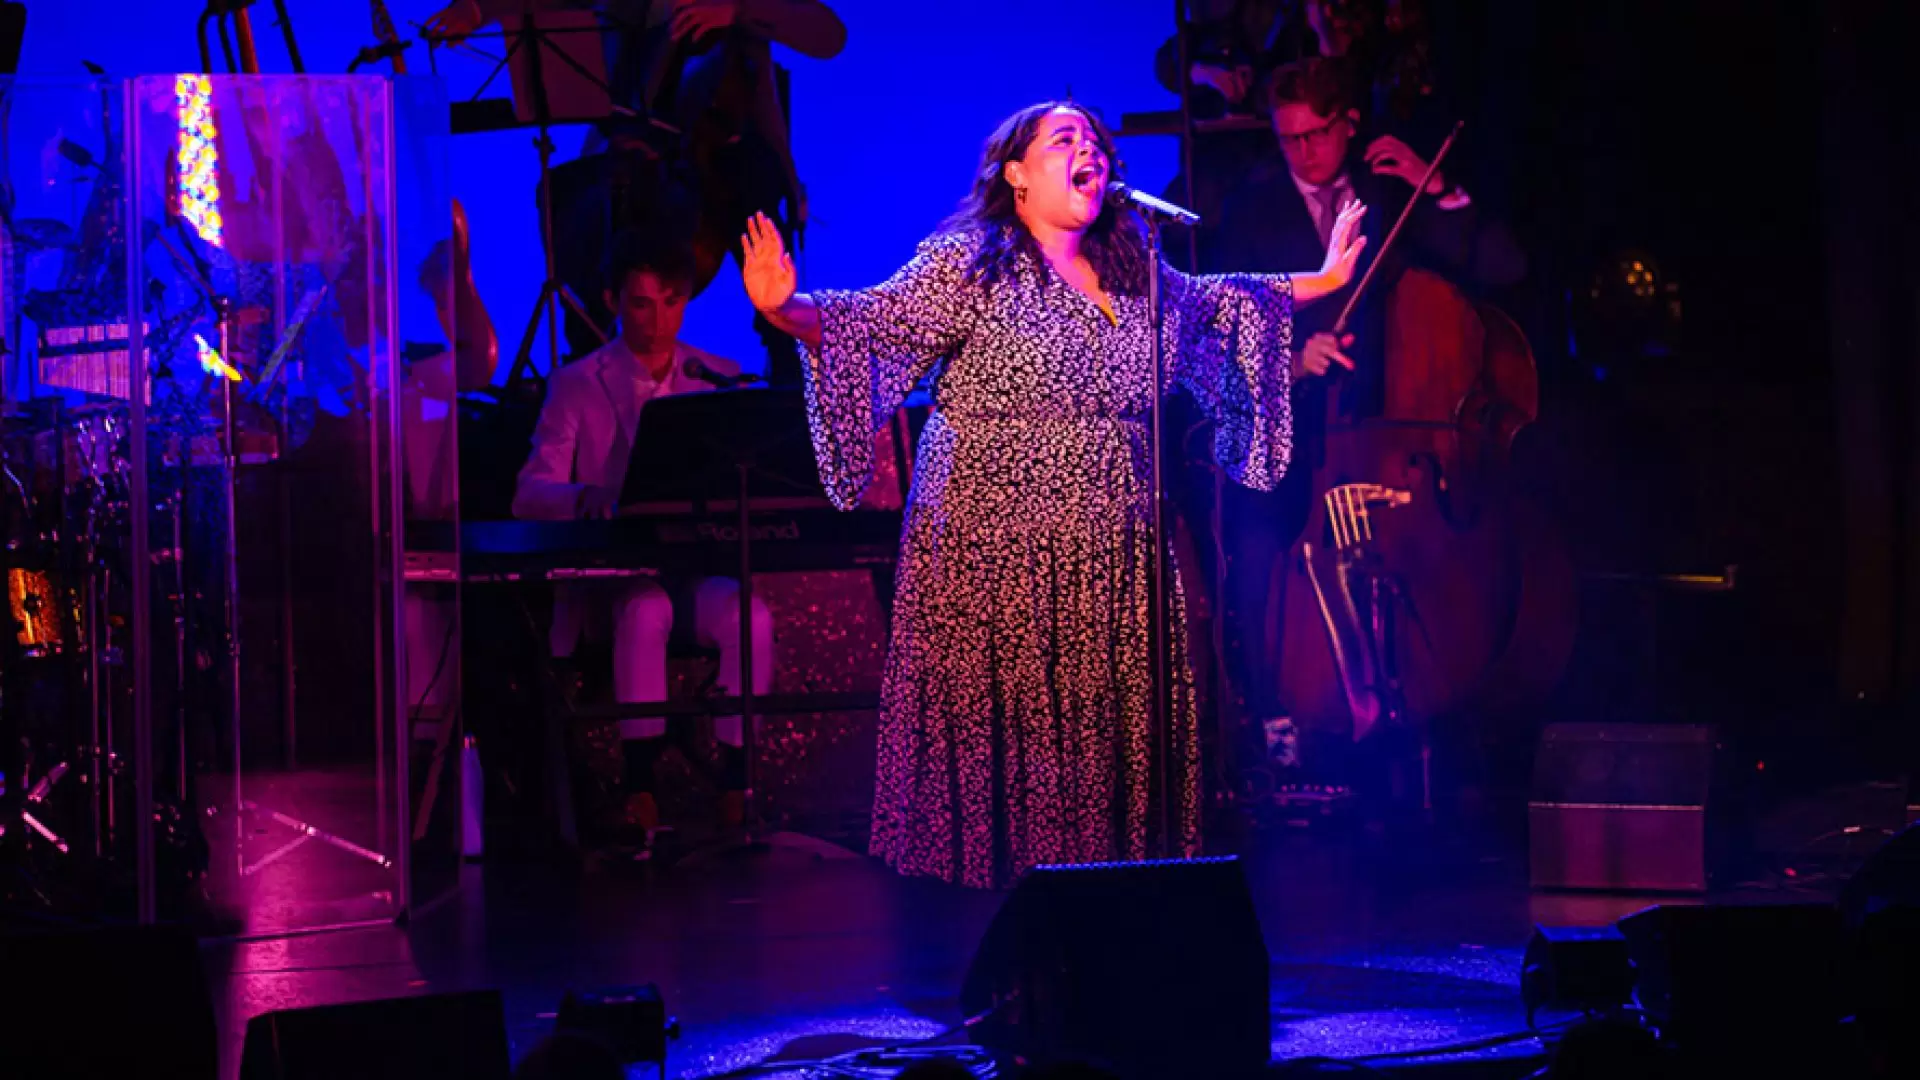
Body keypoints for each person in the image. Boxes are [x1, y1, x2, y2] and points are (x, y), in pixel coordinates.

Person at [738, 102, 1365, 888]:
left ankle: (1108, 885)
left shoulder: (1136, 269)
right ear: (1016, 175)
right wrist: (783, 308)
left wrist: (1326, 280)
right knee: (1022, 722)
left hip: (1113, 543)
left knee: (1104, 720)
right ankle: (1010, 897)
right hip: (997, 538)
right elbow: (873, 322)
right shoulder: (970, 265)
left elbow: (1221, 303)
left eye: (1094, 140)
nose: (1087, 149)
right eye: (1063, 139)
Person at [1205, 57, 1525, 780]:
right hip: (1288, 434)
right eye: (1289, 138)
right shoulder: (1250, 206)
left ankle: (1427, 711)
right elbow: (1223, 328)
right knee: (1256, 558)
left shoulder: (1386, 194)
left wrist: (1434, 187)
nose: (1303, 152)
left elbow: (1505, 269)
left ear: (1349, 123)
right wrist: (1293, 355)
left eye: (1318, 134)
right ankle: (1278, 716)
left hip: (1393, 434)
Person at [513, 230, 774, 846]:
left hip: (690, 571)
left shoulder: (716, 376)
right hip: (609, 582)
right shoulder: (577, 382)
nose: (658, 320)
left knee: (751, 616)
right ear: (612, 301)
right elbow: (529, 493)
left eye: (671, 302)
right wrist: (585, 497)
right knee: (644, 606)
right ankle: (640, 786)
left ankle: (738, 784)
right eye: (641, 303)